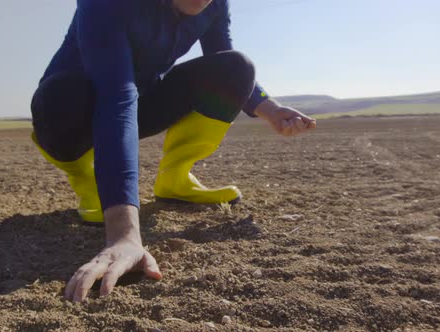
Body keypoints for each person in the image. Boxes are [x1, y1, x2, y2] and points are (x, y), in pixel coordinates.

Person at [30, 0, 316, 303]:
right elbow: (115, 95)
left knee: (235, 67)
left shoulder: (214, 3)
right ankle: (89, 182)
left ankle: (175, 179)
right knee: (73, 96)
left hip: (137, 100)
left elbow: (220, 54)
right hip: (66, 114)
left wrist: (271, 109)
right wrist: (124, 235)